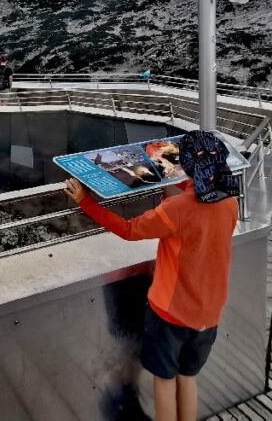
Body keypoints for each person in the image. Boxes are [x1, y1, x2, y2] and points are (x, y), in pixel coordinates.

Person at [64, 131, 240, 421]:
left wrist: (85, 200)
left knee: (165, 381)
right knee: (187, 378)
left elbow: (129, 230)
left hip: (170, 313)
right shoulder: (229, 201)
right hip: (209, 314)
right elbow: (201, 218)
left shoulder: (177, 210)